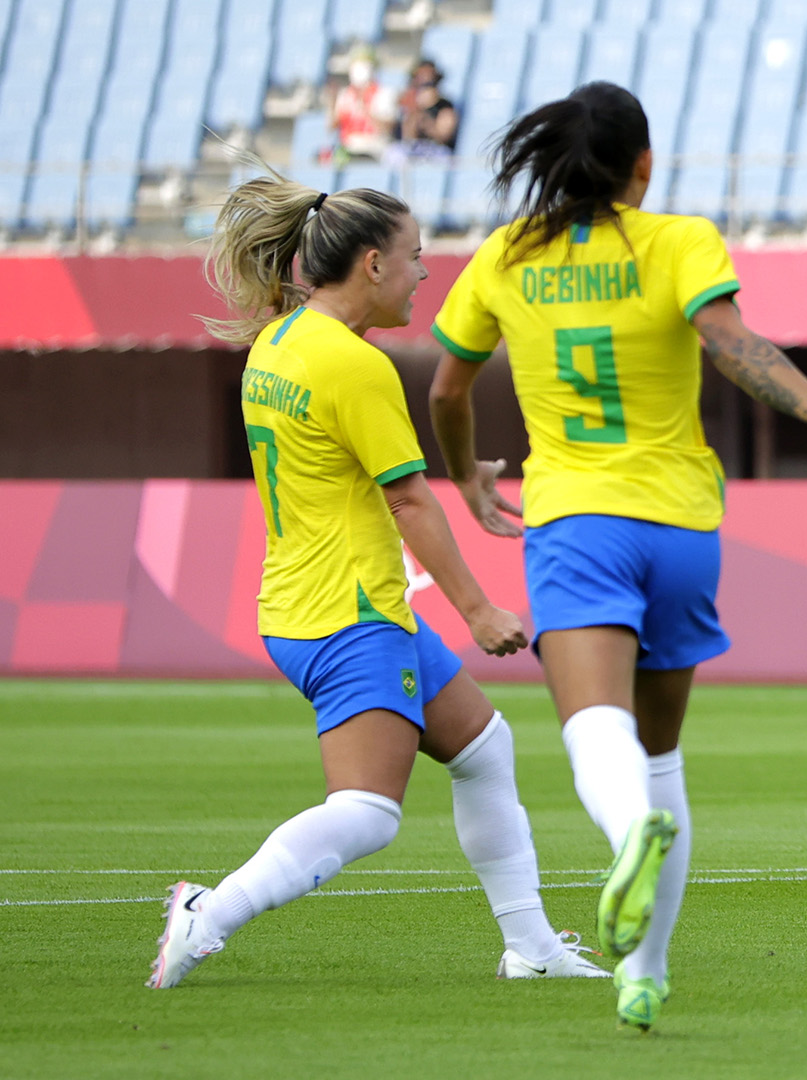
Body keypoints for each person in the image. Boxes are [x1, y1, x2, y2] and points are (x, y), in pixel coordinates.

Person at [425, 82, 807, 1030]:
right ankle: (642, 976)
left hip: (576, 520)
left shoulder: (502, 259)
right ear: (642, 164)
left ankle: (625, 842)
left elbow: (449, 390)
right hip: (685, 528)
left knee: (592, 735)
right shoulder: (680, 240)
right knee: (660, 757)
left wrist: (471, 480)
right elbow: (729, 340)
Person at [150, 165, 606, 989]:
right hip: (349, 611)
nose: (425, 271)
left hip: (305, 600)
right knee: (368, 812)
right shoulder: (353, 365)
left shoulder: (281, 343)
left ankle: (532, 948)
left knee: (485, 749)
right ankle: (206, 914)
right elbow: (408, 502)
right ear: (371, 265)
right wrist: (478, 608)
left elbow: (349, 475)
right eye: (416, 255)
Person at [387, 60, 458, 163]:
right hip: (413, 149)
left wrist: (427, 123)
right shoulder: (410, 104)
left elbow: (444, 136)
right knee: (393, 153)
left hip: (435, 150)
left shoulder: (445, 106)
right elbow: (407, 137)